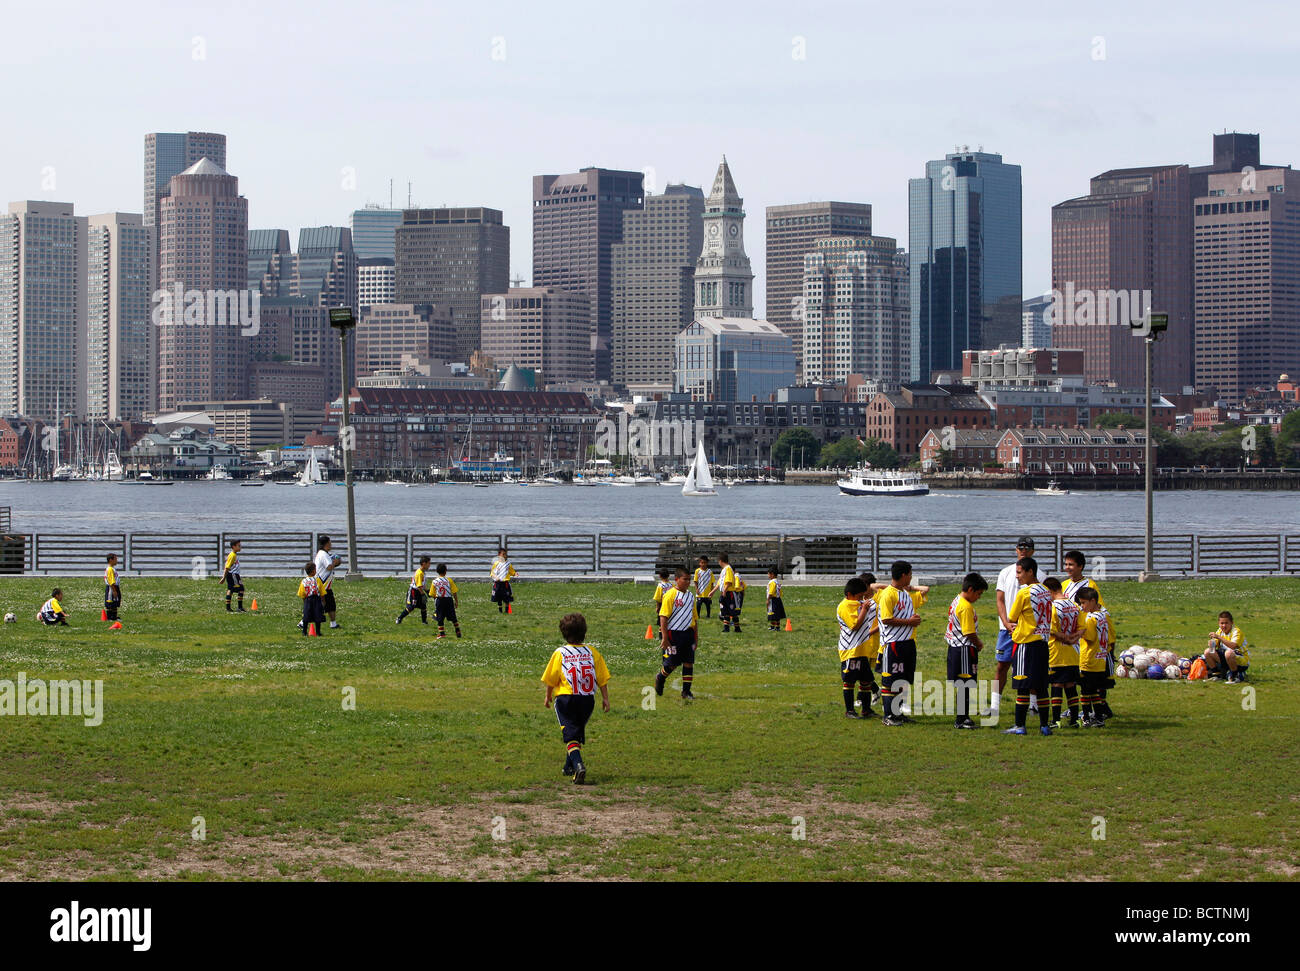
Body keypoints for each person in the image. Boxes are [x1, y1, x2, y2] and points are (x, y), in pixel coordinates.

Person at [541, 612, 610, 785]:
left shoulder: (560, 653)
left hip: (566, 698)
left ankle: (578, 765)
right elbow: (602, 679)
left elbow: (551, 679)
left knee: (570, 733)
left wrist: (548, 696)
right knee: (575, 731)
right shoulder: (592, 652)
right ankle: (568, 766)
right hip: (587, 700)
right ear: (584, 632)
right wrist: (606, 699)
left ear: (563, 633)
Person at [992, 537, 1046, 721]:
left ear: (1033, 551)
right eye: (1020, 547)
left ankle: (1033, 704)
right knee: (1002, 666)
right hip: (1007, 629)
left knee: (1030, 669)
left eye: (1027, 547)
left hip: (1030, 631)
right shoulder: (1006, 572)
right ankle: (994, 706)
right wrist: (1006, 623)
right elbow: (1000, 600)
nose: (1023, 550)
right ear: (1015, 549)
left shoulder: (1042, 575)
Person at [1005, 557, 1054, 736]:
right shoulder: (1046, 591)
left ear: (1030, 571)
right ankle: (1044, 726)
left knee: (1022, 686)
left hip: (1026, 643)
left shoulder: (1024, 593)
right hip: (1042, 643)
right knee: (1041, 687)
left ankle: (1020, 725)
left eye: (1019, 572)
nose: (1017, 577)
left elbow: (1012, 617)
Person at [877, 560, 923, 726]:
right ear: (903, 575)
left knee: (903, 681)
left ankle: (898, 713)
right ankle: (888, 716)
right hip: (894, 643)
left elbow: (907, 616)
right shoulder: (888, 594)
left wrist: (914, 620)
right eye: (910, 574)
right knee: (891, 681)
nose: (911, 577)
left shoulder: (905, 593)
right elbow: (886, 619)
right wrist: (909, 622)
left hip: (908, 643)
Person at [945, 573, 988, 729]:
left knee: (963, 683)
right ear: (970, 589)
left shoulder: (957, 600)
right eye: (978, 593)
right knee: (965, 683)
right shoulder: (965, 607)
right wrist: (979, 643)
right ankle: (961, 719)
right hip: (963, 648)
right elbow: (968, 632)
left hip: (955, 647)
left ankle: (964, 717)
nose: (979, 597)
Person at [836, 576, 878, 719]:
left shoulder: (858, 603)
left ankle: (866, 710)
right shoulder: (844, 606)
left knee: (866, 681)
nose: (861, 599)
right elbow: (855, 626)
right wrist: (864, 610)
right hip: (850, 650)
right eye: (859, 596)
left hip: (861, 650)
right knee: (849, 681)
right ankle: (849, 711)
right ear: (849, 595)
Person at [656, 567, 700, 700]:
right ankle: (660, 677)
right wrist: (664, 637)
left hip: (688, 634)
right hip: (673, 634)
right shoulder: (670, 594)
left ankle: (686, 692)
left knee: (688, 662)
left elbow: (695, 618)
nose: (687, 582)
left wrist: (696, 637)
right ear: (677, 580)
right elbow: (663, 616)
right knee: (672, 664)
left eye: (689, 579)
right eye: (684, 579)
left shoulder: (691, 596)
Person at [1045, 577, 1082, 728]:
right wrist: (1073, 639)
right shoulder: (1074, 605)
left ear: (1050, 591)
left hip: (1057, 652)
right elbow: (1081, 627)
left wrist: (1064, 638)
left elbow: (1052, 630)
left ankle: (1055, 720)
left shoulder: (1053, 607)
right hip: (1073, 653)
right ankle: (1074, 720)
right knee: (1071, 685)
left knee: (1057, 684)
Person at [1075, 587, 1113, 726]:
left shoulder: (1091, 618)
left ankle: (1086, 717)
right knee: (1095, 692)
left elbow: (1090, 638)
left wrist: (1080, 631)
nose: (1082, 606)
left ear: (1092, 601)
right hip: (1100, 660)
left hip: (1089, 660)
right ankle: (1099, 717)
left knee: (1085, 692)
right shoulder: (1103, 616)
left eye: (1083, 603)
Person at [1204, 611, 1251, 683]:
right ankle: (1217, 675)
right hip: (1228, 658)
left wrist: (1219, 637)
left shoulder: (1236, 631)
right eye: (1222, 623)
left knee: (1229, 653)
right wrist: (1211, 644)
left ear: (1232, 623)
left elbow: (1233, 646)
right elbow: (1214, 647)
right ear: (1219, 624)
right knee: (1208, 651)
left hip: (1241, 659)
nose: (1224, 626)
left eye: (1226, 623)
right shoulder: (1220, 631)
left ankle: (1234, 676)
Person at [315, 536, 343, 629]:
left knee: (330, 604)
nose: (331, 544)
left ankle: (333, 623)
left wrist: (336, 563)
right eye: (330, 542)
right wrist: (335, 562)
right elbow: (329, 567)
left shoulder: (324, 554)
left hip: (326, 585)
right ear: (327, 544)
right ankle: (303, 622)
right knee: (320, 605)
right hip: (323, 584)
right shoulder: (323, 554)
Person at [430, 564, 462, 639]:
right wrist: (456, 601)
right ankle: (457, 630)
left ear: (437, 572)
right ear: (445, 571)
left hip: (440, 600)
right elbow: (454, 592)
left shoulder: (434, 581)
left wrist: (436, 600)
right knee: (453, 616)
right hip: (448, 600)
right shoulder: (449, 580)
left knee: (440, 617)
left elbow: (432, 594)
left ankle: (442, 633)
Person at [396, 556, 430, 625]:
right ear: (424, 563)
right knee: (411, 607)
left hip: (419, 590)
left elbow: (423, 585)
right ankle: (399, 618)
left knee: (423, 605)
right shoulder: (419, 573)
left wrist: (427, 591)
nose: (429, 565)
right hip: (414, 591)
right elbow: (419, 586)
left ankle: (424, 622)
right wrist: (423, 595)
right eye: (428, 563)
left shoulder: (423, 573)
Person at [297, 561, 325, 636]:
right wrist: (323, 600)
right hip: (316, 599)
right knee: (317, 616)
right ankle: (318, 632)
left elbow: (301, 593)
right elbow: (322, 591)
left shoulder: (303, 581)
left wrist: (304, 601)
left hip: (307, 599)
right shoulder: (317, 580)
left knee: (306, 615)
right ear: (313, 571)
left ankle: (304, 631)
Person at [220, 539, 245, 613]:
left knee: (230, 589)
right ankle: (239, 608)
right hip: (233, 575)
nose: (240, 547)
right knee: (241, 589)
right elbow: (227, 567)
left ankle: (228, 608)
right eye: (239, 546)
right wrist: (223, 577)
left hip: (233, 575)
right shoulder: (232, 555)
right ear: (233, 546)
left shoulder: (234, 554)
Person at [718, 553, 741, 633]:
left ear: (720, 561)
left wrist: (724, 591)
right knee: (725, 612)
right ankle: (726, 628)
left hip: (729, 593)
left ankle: (737, 628)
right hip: (724, 592)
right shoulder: (724, 570)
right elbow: (720, 582)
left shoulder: (728, 569)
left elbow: (729, 582)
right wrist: (713, 592)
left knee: (732, 611)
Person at [490, 548, 517, 613]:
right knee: (499, 598)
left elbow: (512, 572)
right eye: (503, 554)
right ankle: (500, 611)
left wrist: (515, 574)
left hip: (505, 583)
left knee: (506, 598)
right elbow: (492, 573)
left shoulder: (508, 564)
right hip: (498, 583)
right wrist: (496, 577)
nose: (505, 556)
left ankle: (506, 611)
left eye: (505, 554)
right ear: (499, 555)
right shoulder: (496, 563)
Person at [766, 567, 786, 631]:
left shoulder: (772, 582)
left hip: (773, 599)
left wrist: (768, 600)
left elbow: (771, 592)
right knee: (777, 614)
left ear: (772, 574)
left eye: (768, 574)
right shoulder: (777, 582)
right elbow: (780, 592)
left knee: (772, 613)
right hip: (778, 599)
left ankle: (773, 627)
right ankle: (777, 627)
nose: (768, 575)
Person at [103, 553, 121, 622]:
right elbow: (111, 581)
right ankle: (110, 617)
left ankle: (114, 616)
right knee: (110, 602)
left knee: (115, 601)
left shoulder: (112, 569)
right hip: (112, 587)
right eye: (115, 559)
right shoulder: (110, 569)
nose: (117, 561)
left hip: (115, 587)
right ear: (111, 560)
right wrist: (114, 590)